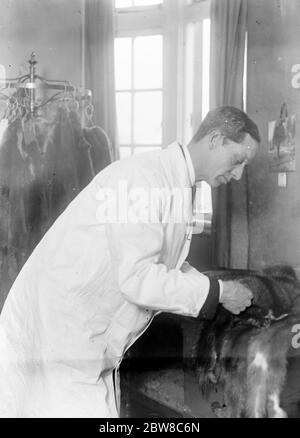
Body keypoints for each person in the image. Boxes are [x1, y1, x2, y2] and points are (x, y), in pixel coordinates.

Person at [0, 106, 260, 418]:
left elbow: (166, 264)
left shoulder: (175, 182)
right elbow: (138, 277)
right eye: (238, 159)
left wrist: (218, 288)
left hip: (86, 333)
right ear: (216, 139)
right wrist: (216, 293)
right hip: (60, 327)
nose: (239, 174)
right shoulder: (144, 179)